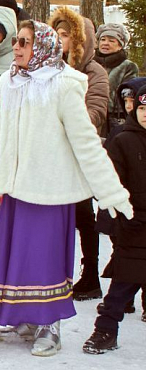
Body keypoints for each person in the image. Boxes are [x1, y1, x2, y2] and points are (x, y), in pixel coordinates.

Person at [0, 21, 133, 357]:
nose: (17, 47)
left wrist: (111, 191)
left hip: (49, 189)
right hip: (16, 189)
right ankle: (29, 319)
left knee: (45, 259)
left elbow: (85, 142)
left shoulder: (65, 85)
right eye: (16, 41)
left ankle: (51, 326)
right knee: (18, 258)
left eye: (25, 42)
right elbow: (0, 136)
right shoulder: (10, 82)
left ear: (44, 46)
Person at [49, 7, 112, 301]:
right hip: (52, 150)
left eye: (66, 35)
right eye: (57, 33)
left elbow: (96, 110)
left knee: (83, 215)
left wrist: (65, 121)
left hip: (79, 150)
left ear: (79, 40)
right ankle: (55, 271)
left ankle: (90, 274)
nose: (60, 39)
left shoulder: (93, 72)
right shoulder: (51, 68)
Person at [82, 85, 146, 354]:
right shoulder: (123, 140)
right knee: (122, 285)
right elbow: (110, 183)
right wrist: (122, 217)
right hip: (135, 225)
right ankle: (105, 331)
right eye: (143, 109)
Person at [94, 23, 139, 133]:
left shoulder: (128, 66)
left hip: (114, 118)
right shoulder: (91, 64)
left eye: (111, 41)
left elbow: (126, 94)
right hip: (92, 114)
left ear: (120, 45)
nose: (105, 43)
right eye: (103, 39)